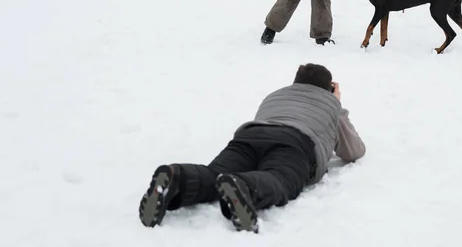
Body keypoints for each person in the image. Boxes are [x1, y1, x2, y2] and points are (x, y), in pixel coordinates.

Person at [138, 63, 366, 233]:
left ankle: (177, 177)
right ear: (329, 88)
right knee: (281, 177)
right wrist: (337, 104)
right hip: (294, 143)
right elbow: (354, 151)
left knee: (216, 173)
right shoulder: (330, 104)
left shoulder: (275, 95)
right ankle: (245, 188)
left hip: (251, 135)